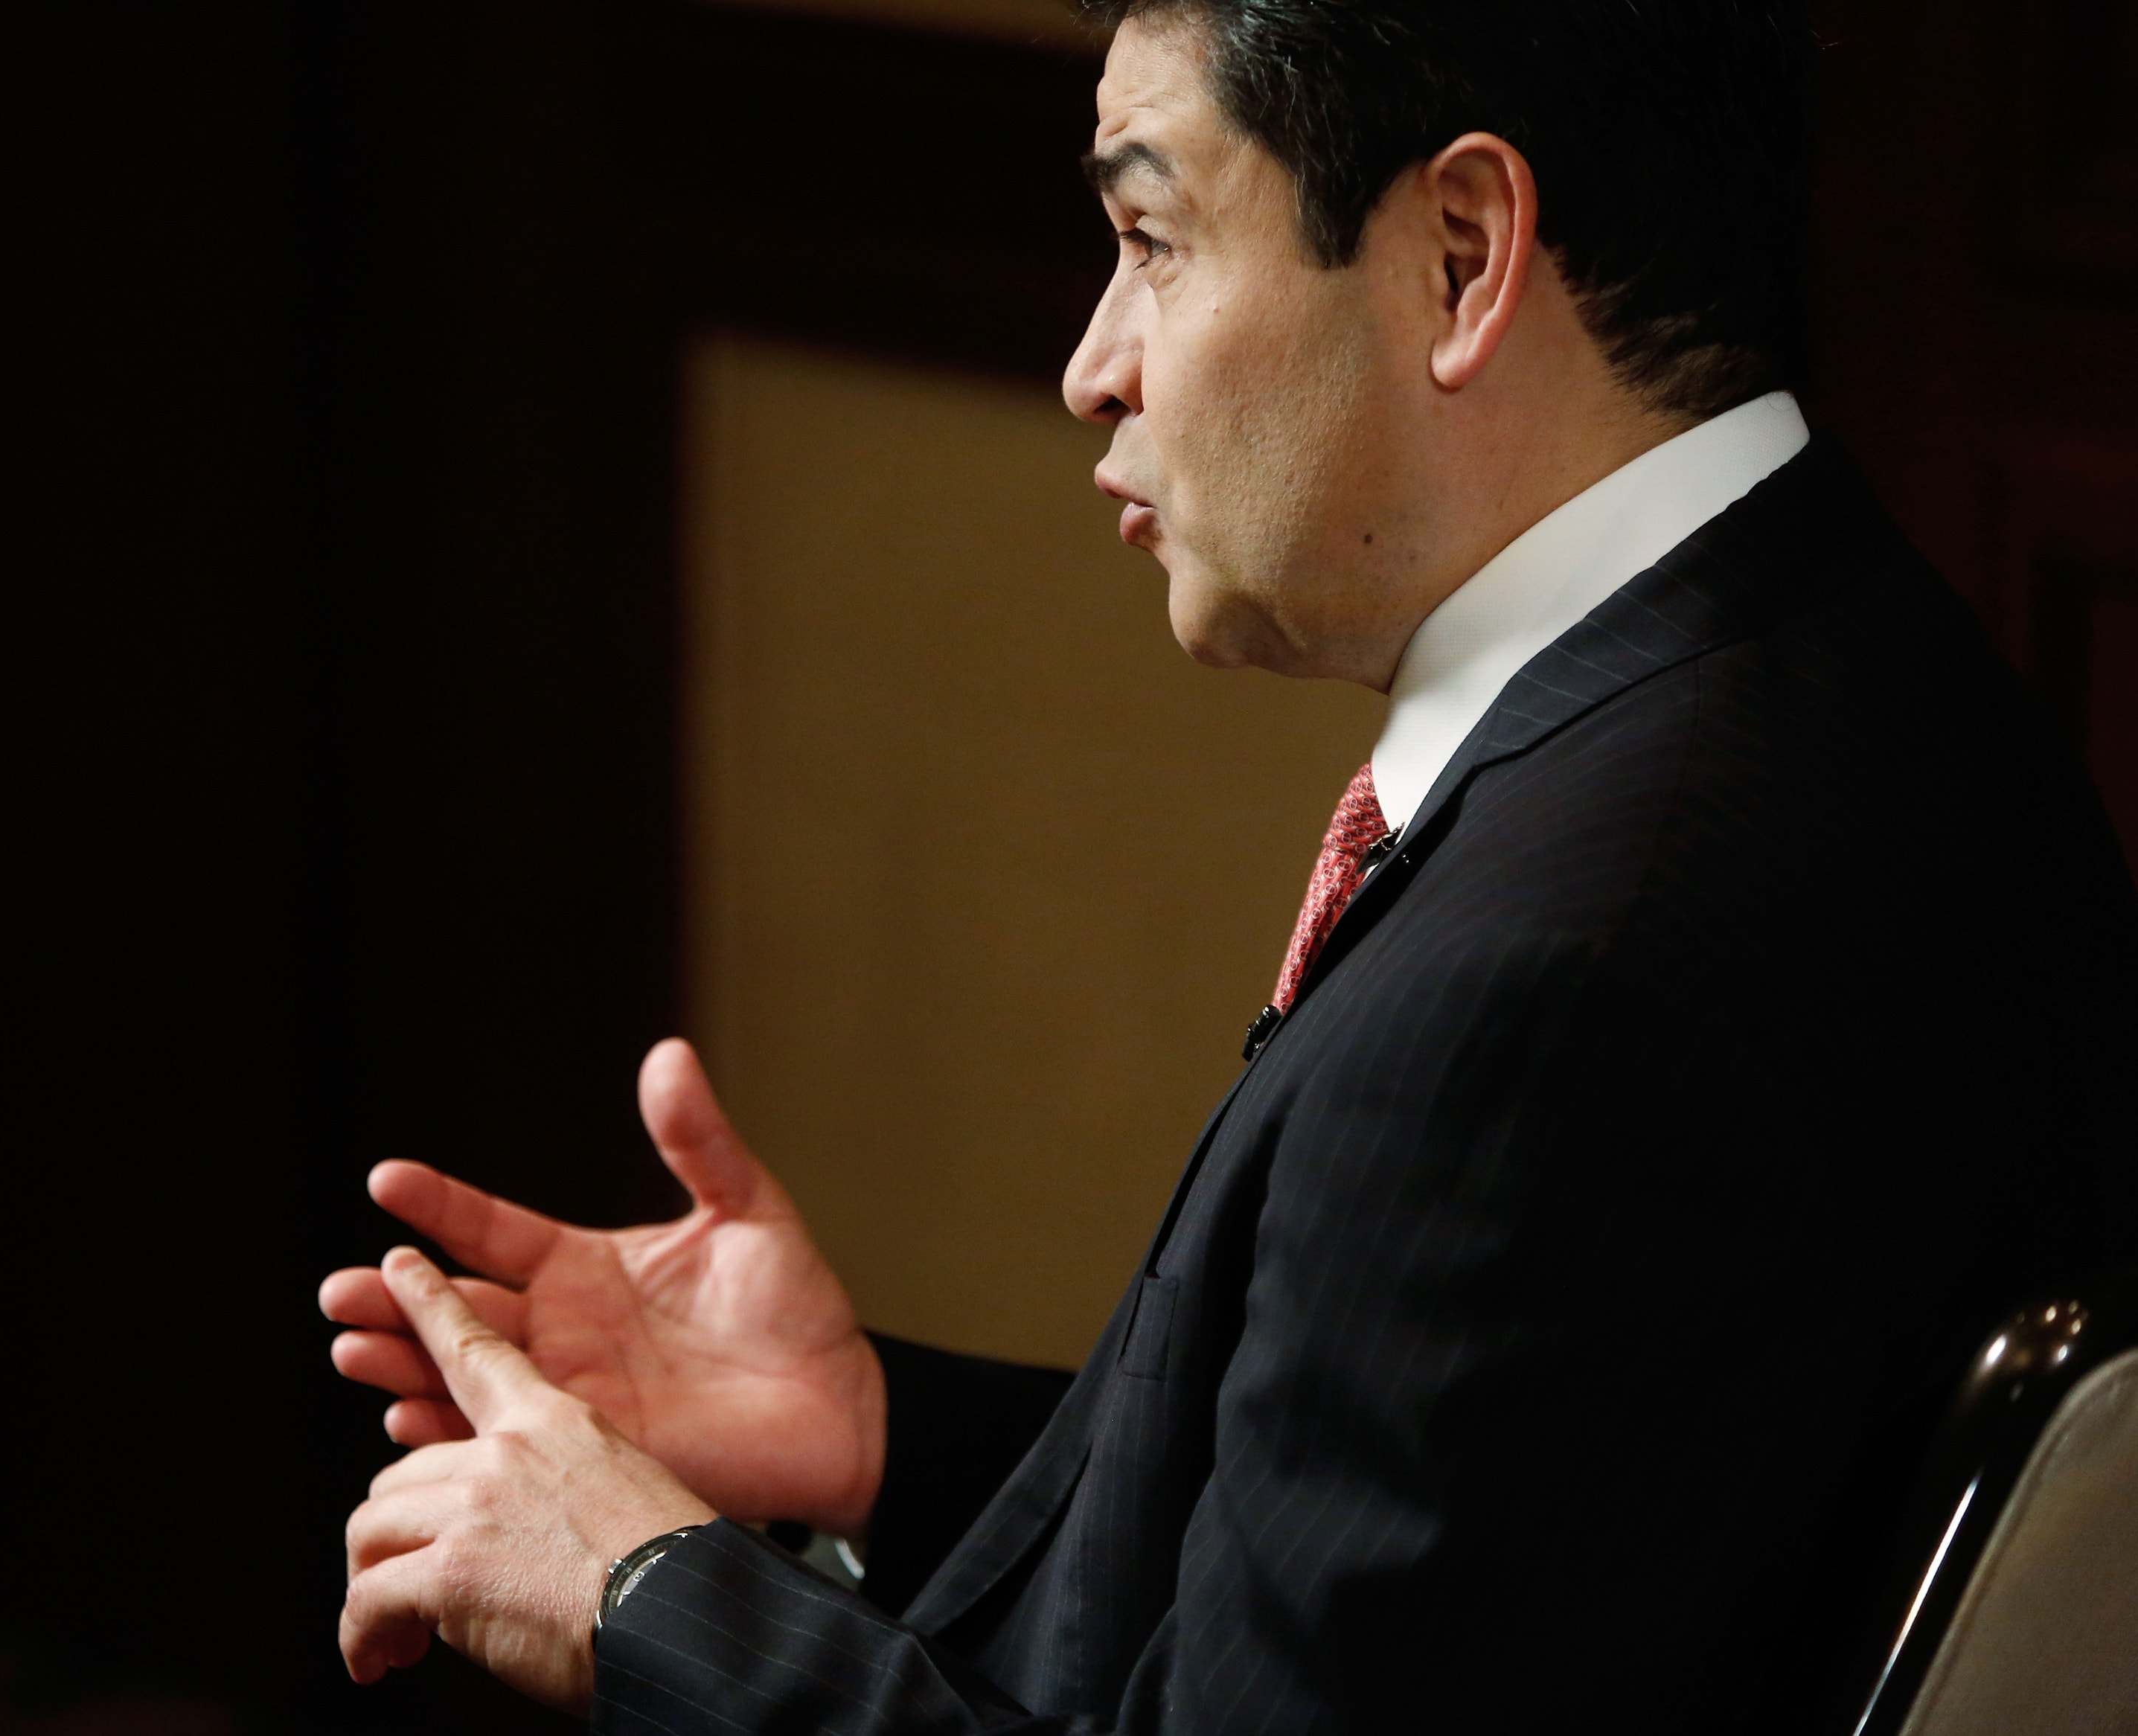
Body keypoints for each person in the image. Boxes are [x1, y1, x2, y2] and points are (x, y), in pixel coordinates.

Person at [319, 2, 2138, 1729]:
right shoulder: (1859, 659)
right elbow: (1496, 1558)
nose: (1090, 365)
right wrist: (880, 1436)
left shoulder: (1543, 992)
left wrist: (647, 1600)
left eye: (1156, 238)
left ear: (1459, 252)